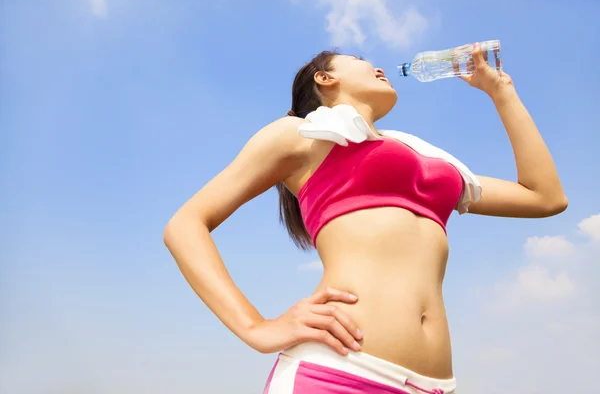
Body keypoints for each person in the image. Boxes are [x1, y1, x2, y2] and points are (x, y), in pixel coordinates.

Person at [163, 43, 567, 394]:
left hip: (434, 384)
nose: (377, 65)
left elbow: (545, 197)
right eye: (357, 58)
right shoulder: (304, 134)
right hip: (339, 372)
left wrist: (501, 92)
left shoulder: (431, 162)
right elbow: (185, 225)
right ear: (324, 78)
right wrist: (257, 328)